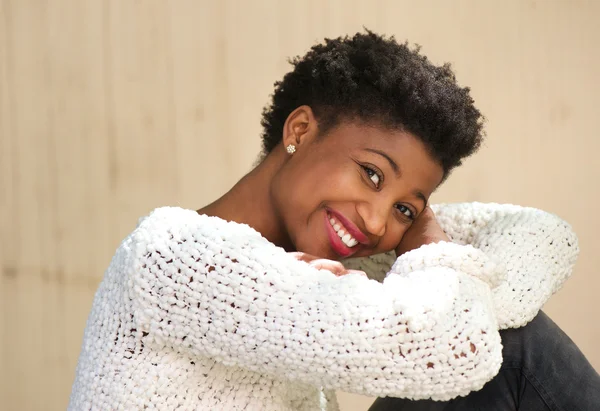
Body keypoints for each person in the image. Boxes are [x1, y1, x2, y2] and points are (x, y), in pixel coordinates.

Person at [68, 31, 599, 410]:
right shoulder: (175, 255)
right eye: (371, 174)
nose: (375, 222)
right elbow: (449, 346)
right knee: (506, 348)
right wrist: (441, 288)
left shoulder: (334, 261)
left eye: (405, 209)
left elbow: (543, 238)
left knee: (505, 339)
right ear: (299, 129)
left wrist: (438, 270)